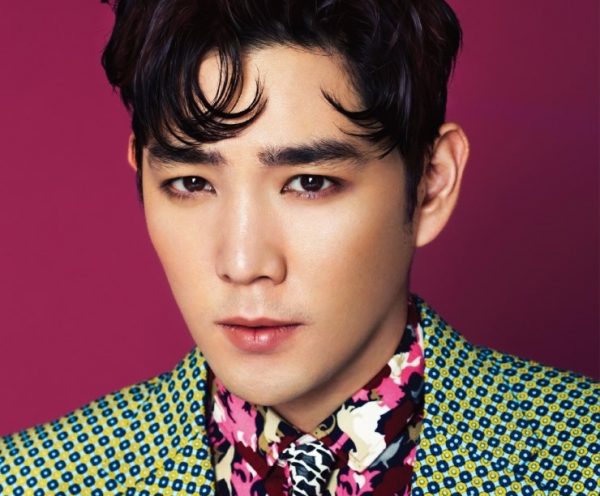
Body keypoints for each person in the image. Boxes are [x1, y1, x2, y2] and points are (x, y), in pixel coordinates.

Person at [0, 0, 597, 495]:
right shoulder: (30, 479)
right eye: (192, 183)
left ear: (431, 185)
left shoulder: (578, 459)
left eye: (309, 183)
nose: (243, 264)